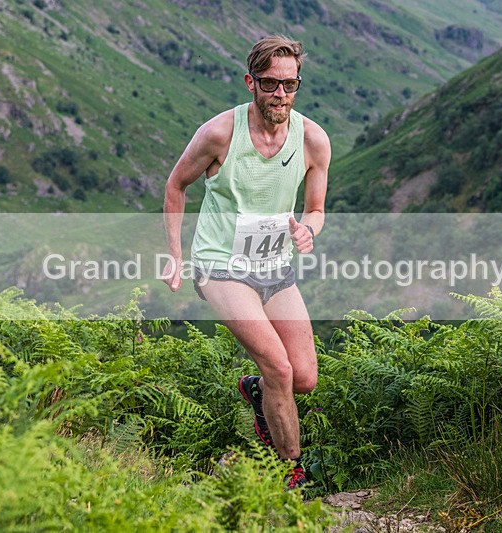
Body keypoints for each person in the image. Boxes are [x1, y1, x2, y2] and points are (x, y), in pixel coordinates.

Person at [162, 34, 331, 489]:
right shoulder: (220, 133)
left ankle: (257, 393)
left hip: (275, 266)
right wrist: (176, 255)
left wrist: (307, 230)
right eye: (270, 83)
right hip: (220, 265)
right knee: (279, 368)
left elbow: (316, 209)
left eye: (290, 85)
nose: (281, 94)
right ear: (250, 82)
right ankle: (291, 472)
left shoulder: (313, 140)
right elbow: (176, 185)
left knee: (304, 378)